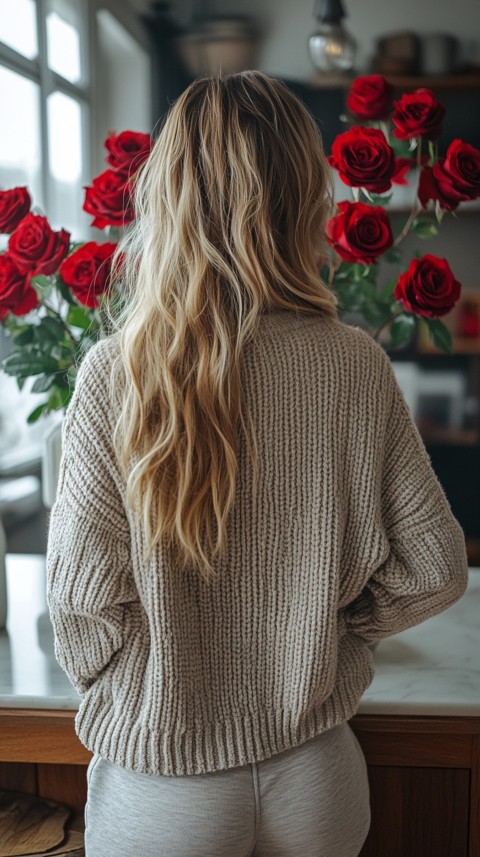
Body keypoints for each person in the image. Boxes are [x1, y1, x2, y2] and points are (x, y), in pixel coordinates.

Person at [45, 71, 469, 857]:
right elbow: (436, 566)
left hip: (162, 782)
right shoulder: (354, 363)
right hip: (315, 770)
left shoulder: (117, 372)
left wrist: (139, 685)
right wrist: (329, 635)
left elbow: (81, 605)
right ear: (306, 196)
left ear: (167, 196)